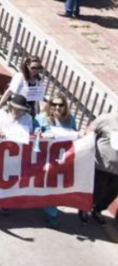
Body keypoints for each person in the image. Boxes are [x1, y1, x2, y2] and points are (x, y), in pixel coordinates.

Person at [35, 96, 77, 227]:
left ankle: (51, 212)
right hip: (41, 157)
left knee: (54, 184)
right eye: (54, 104)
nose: (57, 107)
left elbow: (74, 135)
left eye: (60, 105)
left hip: (60, 158)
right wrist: (40, 134)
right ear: (50, 104)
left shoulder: (70, 119)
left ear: (65, 106)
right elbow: (32, 132)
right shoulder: (41, 117)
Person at [80, 111, 118, 224]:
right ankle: (84, 208)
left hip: (117, 170)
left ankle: (97, 210)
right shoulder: (106, 119)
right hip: (101, 165)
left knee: (111, 194)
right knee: (97, 191)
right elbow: (90, 130)